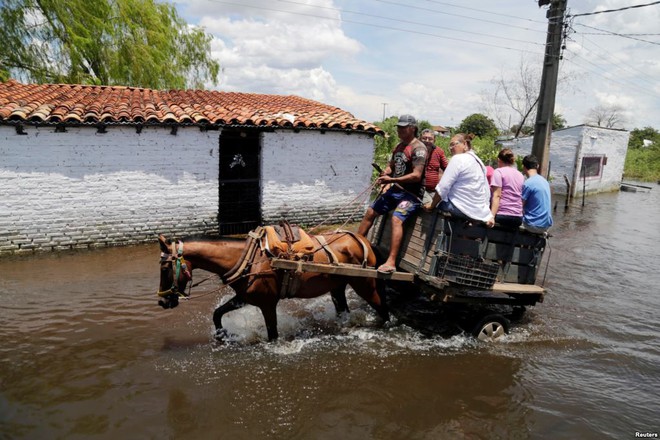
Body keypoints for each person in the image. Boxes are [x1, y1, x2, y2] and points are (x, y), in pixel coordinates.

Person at [358, 114, 427, 273]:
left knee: (396, 219)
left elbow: (416, 175)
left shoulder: (419, 149)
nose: (399, 130)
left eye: (403, 127)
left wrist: (390, 180)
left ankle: (391, 261)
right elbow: (391, 166)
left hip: (411, 195)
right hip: (396, 190)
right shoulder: (399, 146)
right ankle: (357, 245)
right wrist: (385, 174)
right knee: (370, 212)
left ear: (412, 128)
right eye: (398, 127)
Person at [424, 133, 493, 224]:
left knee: (436, 204)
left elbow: (443, 187)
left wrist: (432, 205)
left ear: (464, 144)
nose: (451, 148)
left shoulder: (458, 158)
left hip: (459, 208)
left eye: (453, 144)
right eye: (450, 146)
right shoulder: (479, 162)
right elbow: (486, 190)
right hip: (479, 212)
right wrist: (487, 213)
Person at [490, 148, 524, 228]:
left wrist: (491, 217)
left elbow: (497, 196)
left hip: (502, 215)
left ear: (499, 160)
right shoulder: (520, 175)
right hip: (518, 217)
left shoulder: (498, 172)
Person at [521, 154, 553, 233]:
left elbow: (519, 206)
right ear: (537, 166)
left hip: (532, 225)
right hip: (546, 225)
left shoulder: (528, 183)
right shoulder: (545, 182)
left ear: (523, 167)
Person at [419, 129, 448, 205]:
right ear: (420, 139)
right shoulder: (415, 150)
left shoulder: (439, 151)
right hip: (420, 189)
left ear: (434, 140)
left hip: (434, 190)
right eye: (424, 138)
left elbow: (447, 169)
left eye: (430, 139)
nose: (427, 140)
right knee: (429, 209)